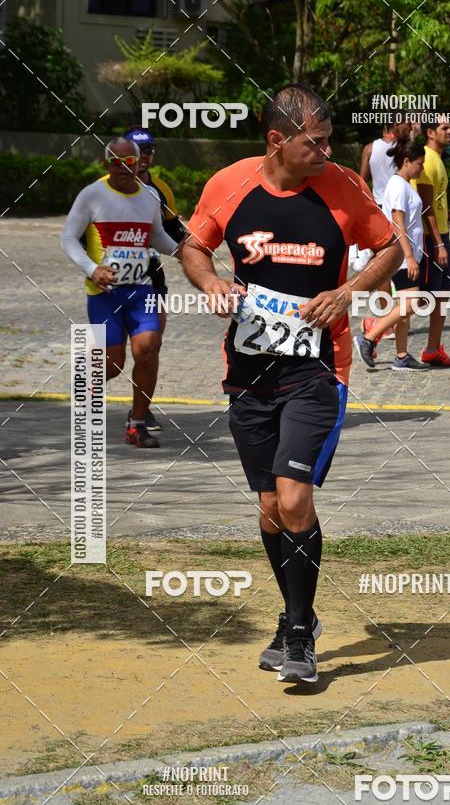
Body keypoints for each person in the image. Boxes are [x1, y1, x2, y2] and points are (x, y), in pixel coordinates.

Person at [182, 84, 401, 683]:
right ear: (278, 140)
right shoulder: (228, 185)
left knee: (296, 495)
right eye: (317, 141)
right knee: (270, 506)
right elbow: (194, 246)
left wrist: (346, 293)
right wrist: (210, 285)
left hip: (318, 368)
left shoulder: (342, 188)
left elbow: (390, 248)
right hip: (250, 372)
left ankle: (300, 632)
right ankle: (293, 614)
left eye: (330, 140)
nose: (328, 152)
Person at [61, 138, 180, 448]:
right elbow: (69, 239)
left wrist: (185, 250)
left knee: (148, 349)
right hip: (104, 294)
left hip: (141, 291)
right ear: (106, 164)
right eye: (115, 162)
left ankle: (137, 425)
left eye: (129, 162)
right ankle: (86, 388)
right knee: (113, 363)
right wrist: (92, 269)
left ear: (139, 162)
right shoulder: (92, 195)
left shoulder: (149, 196)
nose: (123, 168)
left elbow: (157, 236)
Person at [121, 128, 187, 430]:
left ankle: (141, 411)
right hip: (109, 282)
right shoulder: (102, 189)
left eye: (148, 150)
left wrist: (196, 249)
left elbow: (175, 233)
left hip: (150, 277)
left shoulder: (160, 190)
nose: (143, 155)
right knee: (110, 362)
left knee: (150, 347)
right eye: (137, 149)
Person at [353, 138, 430, 371]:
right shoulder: (398, 186)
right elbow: (398, 223)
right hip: (400, 255)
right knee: (413, 302)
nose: (422, 168)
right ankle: (369, 337)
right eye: (419, 163)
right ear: (406, 161)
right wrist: (408, 256)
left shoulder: (404, 185)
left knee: (402, 307)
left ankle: (402, 355)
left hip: (406, 254)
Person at [413, 114, 450, 367]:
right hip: (429, 236)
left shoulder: (438, 160)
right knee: (421, 297)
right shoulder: (426, 161)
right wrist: (439, 243)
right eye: (445, 127)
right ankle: (373, 332)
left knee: (442, 293)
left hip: (441, 233)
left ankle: (433, 349)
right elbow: (425, 207)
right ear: (430, 132)